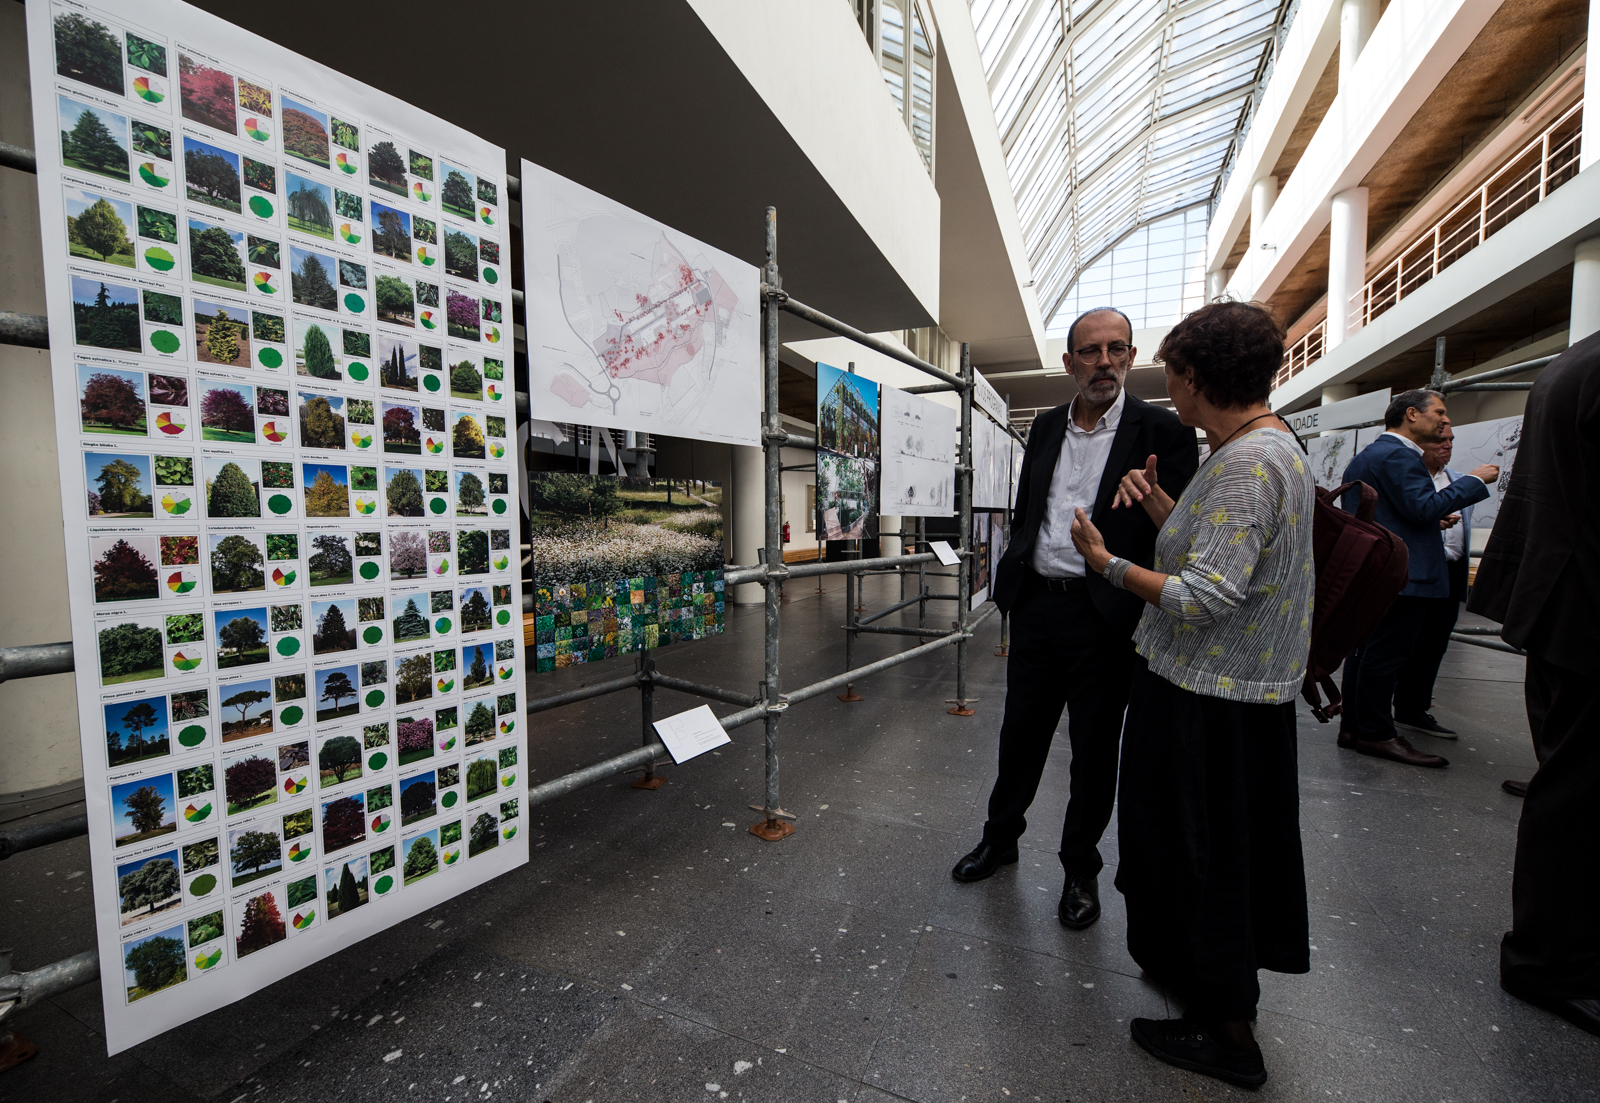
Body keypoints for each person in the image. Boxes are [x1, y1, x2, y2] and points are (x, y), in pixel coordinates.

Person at [1068, 299, 1315, 1089]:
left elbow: (1204, 595)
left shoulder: (1247, 464)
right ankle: (1206, 989)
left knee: (1204, 861)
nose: (1165, 387)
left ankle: (1228, 1035)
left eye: (1170, 372)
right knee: (1204, 856)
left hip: (1212, 702)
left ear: (1198, 377)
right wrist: (1160, 507)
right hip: (1223, 692)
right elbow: (1223, 554)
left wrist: (1107, 562)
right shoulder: (1258, 446)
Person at [950, 307, 1198, 932]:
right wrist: (1014, 574)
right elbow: (1030, 505)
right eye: (1091, 351)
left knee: (1093, 747)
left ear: (1132, 356)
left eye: (1117, 349)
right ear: (1069, 362)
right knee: (1020, 734)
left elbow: (1182, 534)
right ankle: (1000, 838)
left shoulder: (1162, 431)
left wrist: (1153, 503)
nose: (1105, 362)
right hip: (1038, 605)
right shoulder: (1046, 424)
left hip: (1105, 614)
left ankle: (1079, 868)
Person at [1467, 331, 1600, 1037]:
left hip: (1566, 603)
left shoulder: (1575, 362)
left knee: (1572, 786)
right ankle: (1552, 961)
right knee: (1578, 797)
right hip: (1584, 610)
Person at [1336, 390, 1497, 767]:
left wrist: (1426, 520)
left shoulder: (1373, 454)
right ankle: (1377, 734)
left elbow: (1391, 513)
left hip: (1380, 570)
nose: (1445, 421)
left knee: (1367, 652)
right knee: (1387, 655)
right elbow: (1423, 508)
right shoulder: (1400, 454)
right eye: (1439, 412)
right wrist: (1475, 481)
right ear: (1411, 414)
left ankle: (1355, 728)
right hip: (1404, 575)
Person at [1390, 425, 1473, 736]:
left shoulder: (1457, 479)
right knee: (1400, 642)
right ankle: (1376, 713)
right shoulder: (1409, 478)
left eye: (1451, 440)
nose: (1447, 445)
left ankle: (1413, 707)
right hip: (1414, 571)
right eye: (1440, 440)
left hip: (1450, 570)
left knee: (1435, 643)